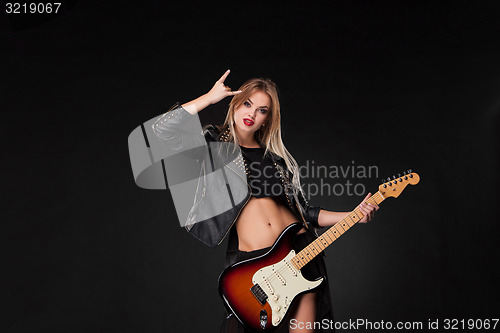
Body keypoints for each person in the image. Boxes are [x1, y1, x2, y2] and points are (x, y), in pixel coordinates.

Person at [151, 70, 379, 333]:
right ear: (235, 104)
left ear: (268, 119)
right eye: (247, 104)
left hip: (301, 254)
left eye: (262, 110)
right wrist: (209, 98)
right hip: (254, 264)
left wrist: (353, 214)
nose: (252, 113)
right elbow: (161, 132)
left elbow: (305, 212)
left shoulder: (277, 160)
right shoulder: (213, 145)